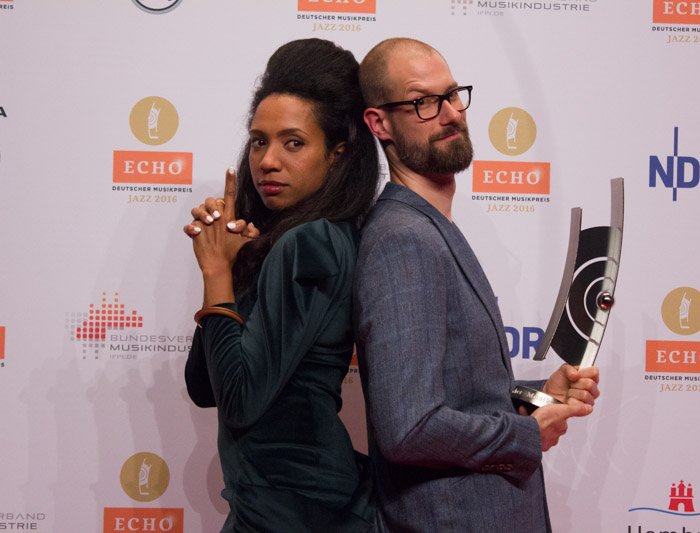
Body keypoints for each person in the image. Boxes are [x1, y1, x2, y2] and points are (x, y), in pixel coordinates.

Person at [353, 37, 601, 532]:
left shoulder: (429, 228)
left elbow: (463, 394)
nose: (449, 114)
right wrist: (525, 436)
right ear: (379, 123)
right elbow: (409, 428)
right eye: (423, 102)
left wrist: (536, 399)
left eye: (451, 95)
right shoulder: (404, 239)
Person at [182, 38, 379, 532]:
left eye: (293, 143)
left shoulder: (312, 243)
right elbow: (204, 387)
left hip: (299, 511)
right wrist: (235, 269)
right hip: (275, 507)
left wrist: (216, 272)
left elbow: (240, 401)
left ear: (337, 155)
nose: (267, 160)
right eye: (258, 141)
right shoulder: (294, 241)